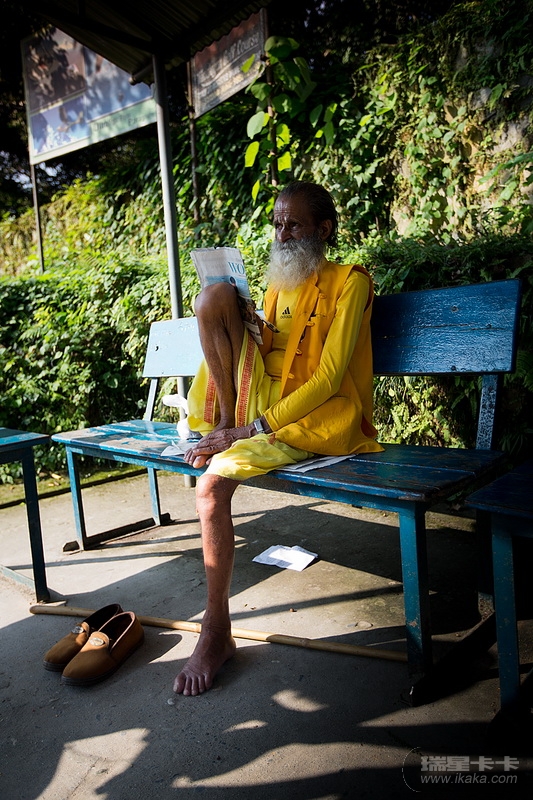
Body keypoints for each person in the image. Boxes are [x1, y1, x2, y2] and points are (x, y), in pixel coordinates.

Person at [173, 181, 383, 696]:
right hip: (259, 404)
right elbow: (272, 351)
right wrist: (250, 325)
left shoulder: (350, 282)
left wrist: (253, 429)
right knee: (213, 297)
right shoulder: (277, 283)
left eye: (293, 225)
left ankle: (215, 631)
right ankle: (223, 423)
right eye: (277, 224)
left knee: (210, 488)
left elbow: (328, 379)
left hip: (317, 417)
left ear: (323, 230)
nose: (281, 234)